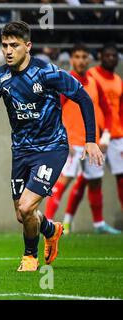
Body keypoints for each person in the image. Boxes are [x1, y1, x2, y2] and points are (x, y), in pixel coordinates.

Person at [0, 21, 104, 272]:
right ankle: (52, 230)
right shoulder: (0, 77)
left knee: (27, 205)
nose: (8, 51)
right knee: (23, 215)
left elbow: (82, 97)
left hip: (52, 148)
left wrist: (90, 139)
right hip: (21, 151)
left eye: (14, 45)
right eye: (5, 45)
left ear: (28, 46)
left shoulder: (47, 72)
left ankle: (30, 257)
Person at [44, 44, 120, 235]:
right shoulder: (64, 82)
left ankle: (99, 225)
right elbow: (54, 112)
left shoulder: (94, 83)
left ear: (89, 59)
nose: (81, 60)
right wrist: (62, 139)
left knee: (94, 183)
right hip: (70, 145)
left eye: (84, 56)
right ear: (71, 59)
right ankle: (46, 224)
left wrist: (105, 137)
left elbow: (109, 112)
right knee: (61, 183)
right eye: (77, 56)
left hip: (91, 144)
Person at [64, 43, 123, 231]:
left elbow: (115, 110)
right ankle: (66, 220)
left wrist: (107, 134)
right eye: (108, 55)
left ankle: (97, 224)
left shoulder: (118, 80)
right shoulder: (91, 76)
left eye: (114, 56)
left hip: (113, 136)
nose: (111, 59)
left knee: (118, 179)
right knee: (81, 181)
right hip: (91, 138)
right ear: (99, 56)